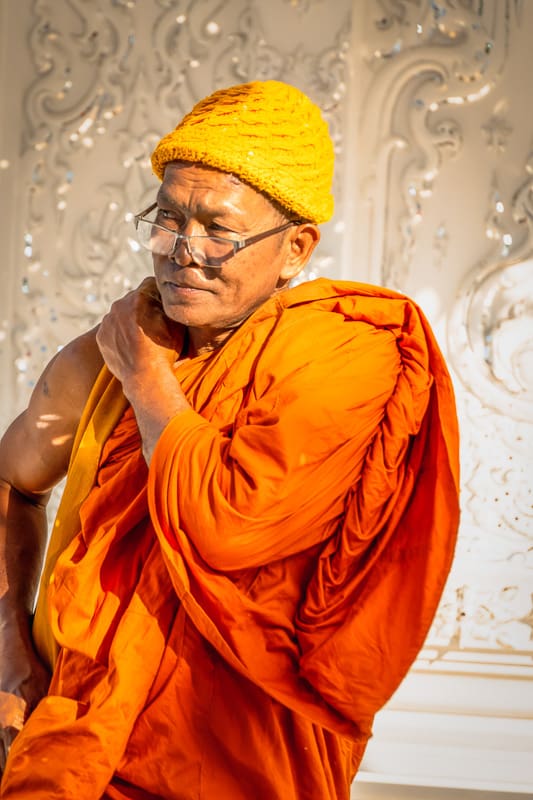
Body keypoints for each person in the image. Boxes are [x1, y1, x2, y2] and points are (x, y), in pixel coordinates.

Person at [0, 80, 459, 799]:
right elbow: (11, 482)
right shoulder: (99, 359)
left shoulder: (343, 357)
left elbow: (229, 523)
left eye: (220, 229)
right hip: (76, 737)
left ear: (295, 249)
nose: (185, 251)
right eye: (167, 219)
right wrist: (10, 653)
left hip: (244, 759)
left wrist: (148, 379)